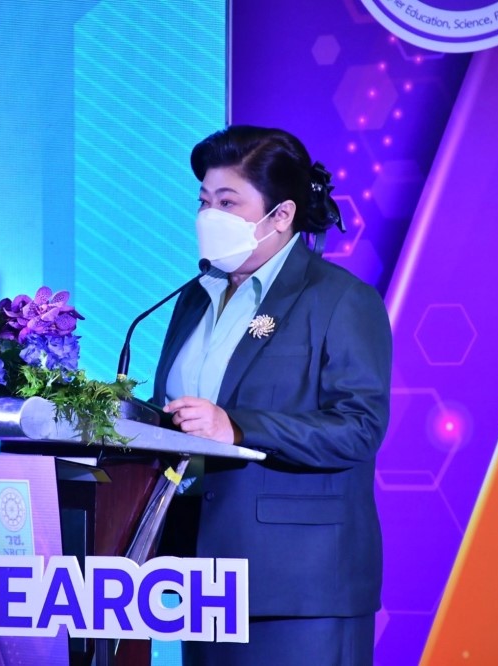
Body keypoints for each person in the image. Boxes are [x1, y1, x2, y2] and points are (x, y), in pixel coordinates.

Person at [153, 125, 392, 665]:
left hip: (301, 586)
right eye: (204, 201)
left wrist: (238, 426)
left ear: (281, 215)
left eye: (227, 202)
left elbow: (359, 427)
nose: (208, 216)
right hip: (204, 580)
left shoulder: (339, 299)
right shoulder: (194, 297)